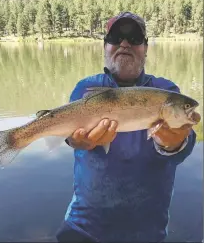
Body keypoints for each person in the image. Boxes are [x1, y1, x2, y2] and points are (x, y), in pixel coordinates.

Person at [56, 12, 201, 243]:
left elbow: (184, 146)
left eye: (134, 38)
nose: (124, 44)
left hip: (147, 232)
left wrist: (175, 143)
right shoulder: (86, 88)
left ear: (145, 48)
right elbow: (70, 134)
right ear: (105, 46)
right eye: (115, 38)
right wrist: (75, 141)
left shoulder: (166, 90)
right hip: (83, 227)